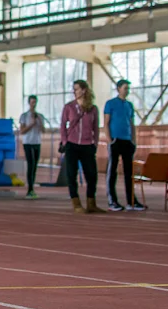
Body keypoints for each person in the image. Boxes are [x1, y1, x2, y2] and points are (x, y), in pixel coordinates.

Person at [60, 80, 102, 214]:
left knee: (92, 175)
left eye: (77, 89)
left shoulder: (93, 109)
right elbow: (62, 125)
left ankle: (91, 203)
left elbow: (96, 128)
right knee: (71, 175)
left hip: (87, 146)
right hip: (72, 145)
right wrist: (65, 141)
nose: (74, 91)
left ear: (84, 90)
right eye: (74, 89)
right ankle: (76, 202)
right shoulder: (69, 107)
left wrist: (95, 143)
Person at [104, 79, 145, 211]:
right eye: (125, 88)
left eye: (128, 88)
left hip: (127, 141)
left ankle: (131, 201)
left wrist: (134, 140)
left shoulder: (129, 105)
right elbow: (106, 123)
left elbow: (132, 124)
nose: (127, 90)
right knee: (113, 171)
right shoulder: (110, 104)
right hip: (115, 140)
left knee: (129, 173)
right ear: (118, 89)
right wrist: (110, 140)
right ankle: (112, 201)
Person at [18, 95, 46, 199]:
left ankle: (32, 187)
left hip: (37, 142)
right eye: (32, 102)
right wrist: (32, 124)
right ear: (29, 103)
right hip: (28, 142)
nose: (34, 104)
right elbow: (22, 131)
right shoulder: (24, 116)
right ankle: (30, 189)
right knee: (31, 164)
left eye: (35, 102)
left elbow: (43, 131)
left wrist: (39, 121)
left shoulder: (40, 116)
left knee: (35, 165)